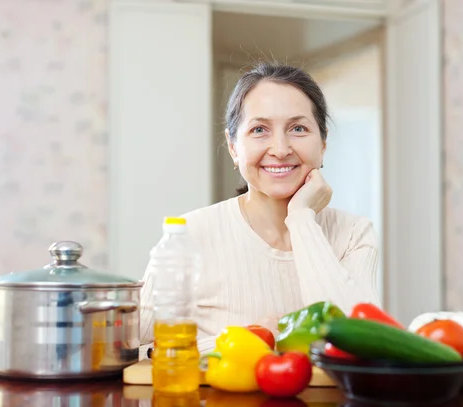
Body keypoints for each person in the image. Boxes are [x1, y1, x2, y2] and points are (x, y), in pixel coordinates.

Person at [138, 62, 380, 358]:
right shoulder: (188, 235)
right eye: (259, 129)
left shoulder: (353, 235)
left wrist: (302, 219)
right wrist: (255, 337)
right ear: (233, 147)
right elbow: (134, 350)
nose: (280, 148)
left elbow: (362, 344)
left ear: (323, 143)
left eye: (298, 128)